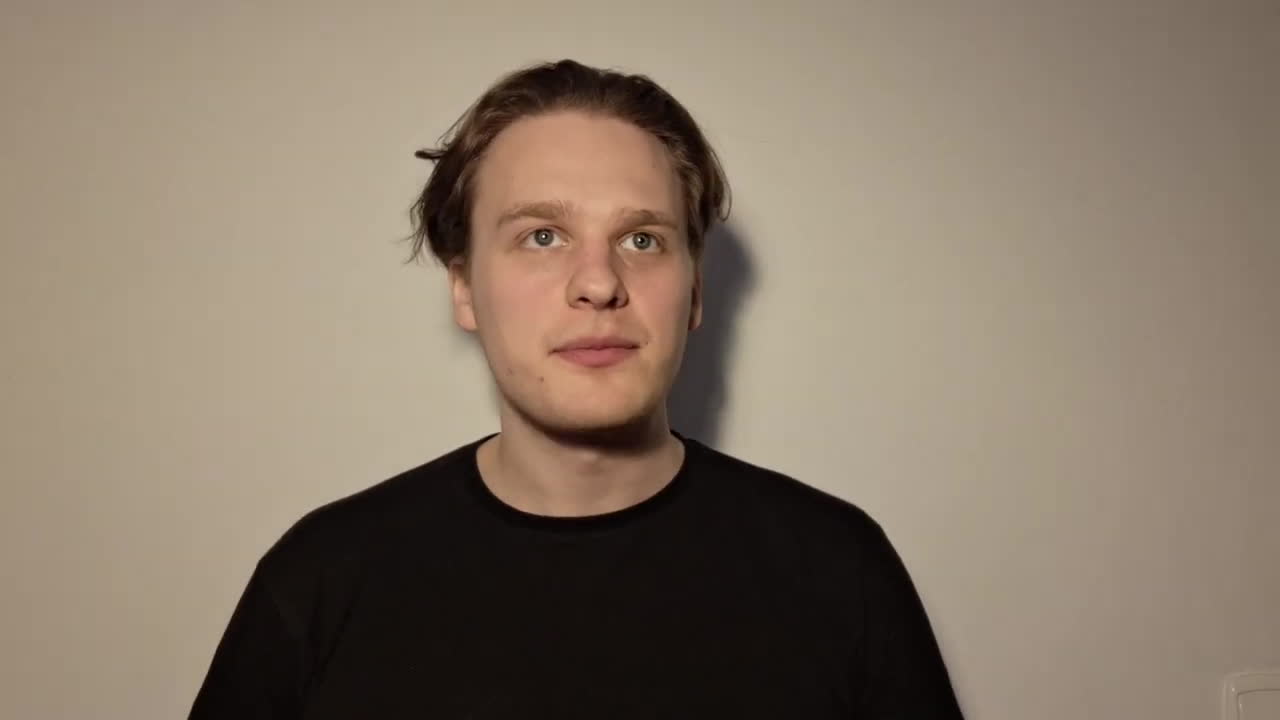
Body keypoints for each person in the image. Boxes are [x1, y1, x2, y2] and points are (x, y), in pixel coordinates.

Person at [189, 58, 964, 719]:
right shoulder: (321, 580)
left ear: (694, 292)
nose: (598, 282)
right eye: (542, 236)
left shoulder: (838, 571)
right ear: (464, 288)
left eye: (642, 239)